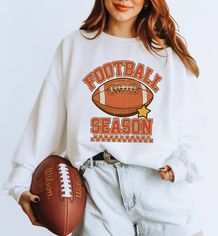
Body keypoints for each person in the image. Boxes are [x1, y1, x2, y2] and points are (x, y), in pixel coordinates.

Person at [3, 0, 207, 235]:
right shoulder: (74, 47)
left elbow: (192, 128)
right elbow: (46, 120)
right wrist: (19, 182)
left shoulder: (167, 54)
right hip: (96, 190)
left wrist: (181, 167)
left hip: (158, 184)